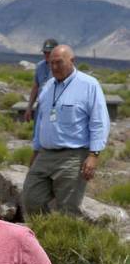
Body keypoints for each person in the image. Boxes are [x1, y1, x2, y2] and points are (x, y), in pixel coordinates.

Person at [22, 44, 110, 216]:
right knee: (31, 199)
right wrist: (36, 151)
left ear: (72, 61)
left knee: (68, 208)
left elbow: (99, 121)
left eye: (59, 63)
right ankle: (44, 236)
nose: (54, 67)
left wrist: (94, 155)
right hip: (45, 155)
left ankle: (65, 241)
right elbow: (41, 121)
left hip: (73, 157)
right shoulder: (47, 87)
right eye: (51, 63)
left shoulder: (89, 85)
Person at [23, 38, 57, 123]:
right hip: (41, 106)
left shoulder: (61, 68)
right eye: (45, 52)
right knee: (38, 133)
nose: (47, 55)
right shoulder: (40, 66)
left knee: (52, 130)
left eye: (50, 52)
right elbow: (36, 87)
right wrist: (29, 107)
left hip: (54, 107)